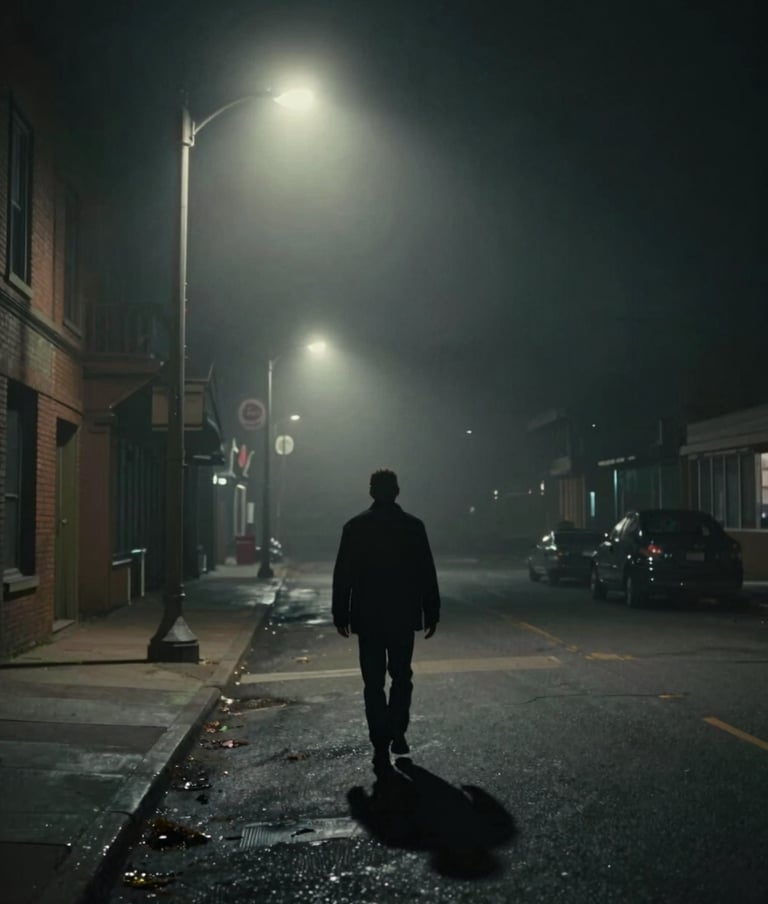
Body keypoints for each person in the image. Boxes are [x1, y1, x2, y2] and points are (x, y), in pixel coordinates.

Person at [333, 469, 441, 772]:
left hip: (368, 615)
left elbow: (343, 574)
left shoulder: (355, 527)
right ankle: (397, 729)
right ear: (396, 491)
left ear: (371, 492)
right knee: (401, 676)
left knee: (373, 682)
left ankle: (379, 740)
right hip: (402, 613)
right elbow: (426, 573)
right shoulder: (413, 527)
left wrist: (340, 612)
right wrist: (431, 610)